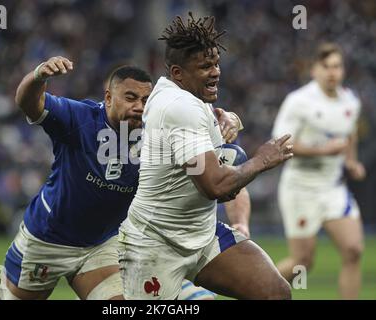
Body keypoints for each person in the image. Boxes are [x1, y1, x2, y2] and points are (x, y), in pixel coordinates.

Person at [0, 56, 243, 300]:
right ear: (108, 98)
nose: (139, 106)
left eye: (146, 100)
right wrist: (39, 75)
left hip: (103, 245)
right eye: (130, 98)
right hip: (47, 239)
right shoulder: (80, 118)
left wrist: (228, 120)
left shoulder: (159, 133)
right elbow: (28, 102)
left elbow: (218, 172)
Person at [118, 13, 293, 300]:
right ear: (178, 73)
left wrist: (232, 120)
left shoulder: (177, 94)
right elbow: (214, 185)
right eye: (204, 67)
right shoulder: (180, 106)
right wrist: (263, 159)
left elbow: (214, 144)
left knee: (275, 293)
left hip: (202, 235)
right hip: (155, 243)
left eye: (216, 64)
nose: (215, 72)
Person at [272, 43, 365, 299]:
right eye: (326, 67)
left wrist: (351, 162)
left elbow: (350, 134)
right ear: (314, 70)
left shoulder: (350, 101)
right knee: (302, 262)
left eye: (337, 66)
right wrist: (323, 151)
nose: (332, 72)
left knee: (353, 250)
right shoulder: (299, 101)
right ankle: (256, 289)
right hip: (301, 188)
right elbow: (281, 143)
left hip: (333, 188)